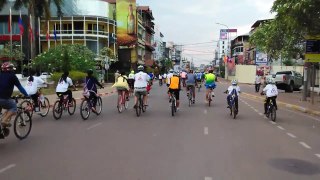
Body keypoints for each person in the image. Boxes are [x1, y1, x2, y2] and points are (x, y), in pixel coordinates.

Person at [0, 62, 29, 138]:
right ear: (10, 69)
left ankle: (1, 129)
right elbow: (20, 88)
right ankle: (4, 121)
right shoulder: (12, 76)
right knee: (13, 107)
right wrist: (26, 95)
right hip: (4, 98)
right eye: (12, 68)